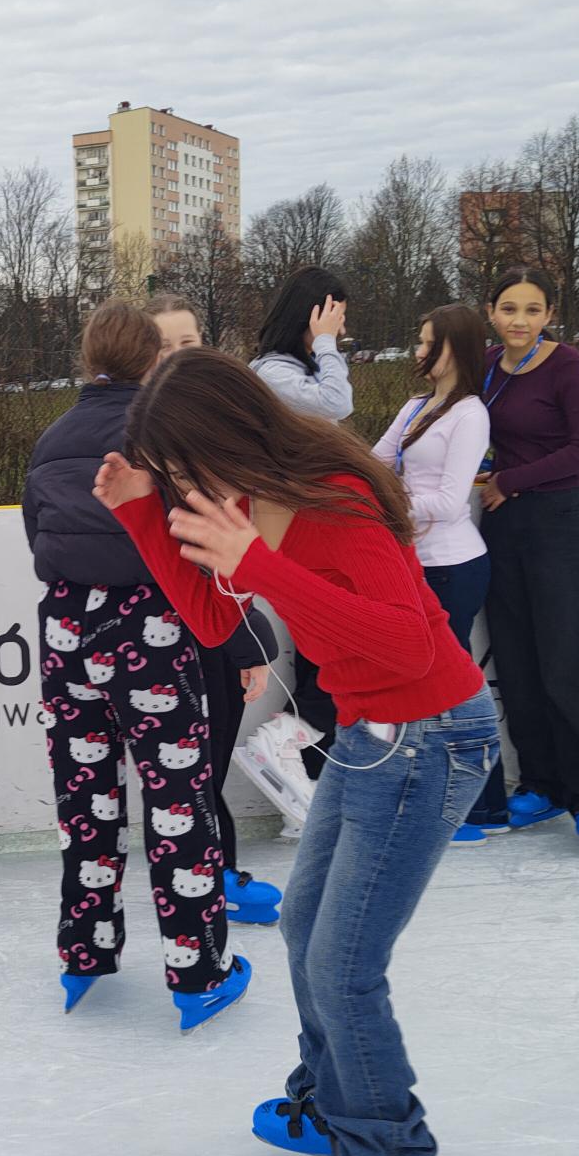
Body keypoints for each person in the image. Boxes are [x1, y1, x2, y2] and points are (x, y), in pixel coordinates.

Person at [96, 350, 497, 1156]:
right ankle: (331, 1104)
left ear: (227, 437)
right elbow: (211, 620)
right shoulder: (237, 502)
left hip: (432, 737)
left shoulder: (334, 501)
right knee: (305, 928)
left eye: (182, 468)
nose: (182, 486)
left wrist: (260, 563)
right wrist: (143, 514)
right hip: (368, 734)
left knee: (344, 969)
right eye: (169, 474)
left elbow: (407, 640)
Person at [22, 301, 251, 1031]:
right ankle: (198, 971)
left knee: (85, 796)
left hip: (66, 626)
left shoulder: (52, 436)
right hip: (147, 623)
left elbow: (36, 531)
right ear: (153, 360)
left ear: (87, 359)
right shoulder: (162, 435)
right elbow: (201, 537)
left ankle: (84, 952)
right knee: (178, 798)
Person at [143, 293, 283, 925]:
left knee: (210, 757)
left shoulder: (222, 436)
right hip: (170, 635)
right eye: (162, 347)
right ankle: (209, 874)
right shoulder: (144, 445)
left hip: (223, 628)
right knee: (188, 767)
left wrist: (247, 636)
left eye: (188, 343)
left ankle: (214, 870)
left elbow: (239, 554)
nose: (176, 358)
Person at [478, 267, 579, 851]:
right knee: (516, 663)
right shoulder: (487, 365)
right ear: (491, 312)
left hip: (560, 521)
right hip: (503, 525)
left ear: (549, 314)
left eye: (532, 310)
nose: (520, 321)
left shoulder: (567, 365)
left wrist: (511, 479)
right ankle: (540, 784)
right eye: (509, 308)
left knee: (565, 664)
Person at [372, 303, 507, 843]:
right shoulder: (415, 407)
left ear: (458, 348)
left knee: (453, 690)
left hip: (453, 567)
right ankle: (454, 803)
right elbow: (374, 463)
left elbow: (451, 503)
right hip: (415, 565)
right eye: (420, 340)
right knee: (432, 689)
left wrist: (389, 504)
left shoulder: (470, 414)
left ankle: (482, 808)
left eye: (431, 342)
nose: (420, 350)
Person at [248, 267, 353, 792]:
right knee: (328, 650)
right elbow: (337, 404)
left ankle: (308, 775)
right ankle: (289, 746)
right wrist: (328, 343)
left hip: (314, 524)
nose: (341, 330)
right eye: (334, 317)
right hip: (298, 527)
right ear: (311, 316)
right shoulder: (273, 373)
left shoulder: (293, 371)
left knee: (326, 651)